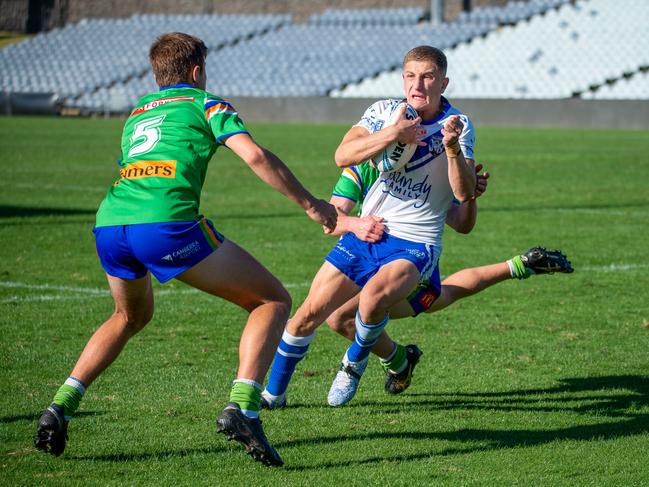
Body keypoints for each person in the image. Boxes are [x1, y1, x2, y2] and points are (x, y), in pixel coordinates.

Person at [33, 32, 337, 467]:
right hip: (164, 226)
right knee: (272, 299)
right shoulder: (207, 103)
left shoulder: (137, 113)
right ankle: (243, 408)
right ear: (197, 71)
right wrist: (312, 204)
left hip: (110, 225)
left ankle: (59, 406)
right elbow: (254, 156)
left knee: (128, 316)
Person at [260, 45, 478, 409]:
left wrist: (452, 149)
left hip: (416, 242)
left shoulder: (458, 125)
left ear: (443, 81)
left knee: (373, 300)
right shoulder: (382, 112)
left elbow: (463, 193)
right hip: (370, 233)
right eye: (410, 75)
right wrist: (394, 133)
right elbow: (343, 156)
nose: (417, 84)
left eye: (426, 76)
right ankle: (273, 396)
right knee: (307, 316)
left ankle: (353, 364)